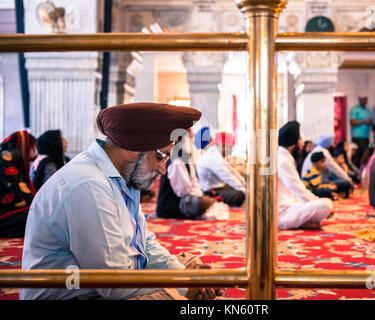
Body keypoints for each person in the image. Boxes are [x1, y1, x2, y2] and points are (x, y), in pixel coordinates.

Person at [21, 102, 224, 300]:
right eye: (161, 156)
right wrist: (184, 289)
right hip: (76, 293)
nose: (163, 168)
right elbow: (114, 285)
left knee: (189, 264)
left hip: (107, 280)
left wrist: (186, 278)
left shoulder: (122, 177)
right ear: (130, 148)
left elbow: (143, 244)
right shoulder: (88, 185)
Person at [157, 129, 229, 220]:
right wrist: (202, 199)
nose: (192, 135)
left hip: (187, 198)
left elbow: (194, 182)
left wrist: (200, 196)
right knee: (203, 201)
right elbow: (183, 191)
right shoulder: (177, 159)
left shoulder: (186, 157)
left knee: (206, 198)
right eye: (189, 133)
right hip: (172, 206)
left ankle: (207, 203)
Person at [278, 121, 333, 230]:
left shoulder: (284, 157)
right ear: (292, 144)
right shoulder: (283, 160)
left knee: (321, 204)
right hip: (283, 213)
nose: (303, 143)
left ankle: (306, 222)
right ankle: (300, 223)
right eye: (300, 139)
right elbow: (297, 188)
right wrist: (317, 201)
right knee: (327, 204)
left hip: (291, 206)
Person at [0, 131, 37, 237]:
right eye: (32, 148)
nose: (34, 152)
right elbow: (19, 188)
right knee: (34, 218)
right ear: (24, 146)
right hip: (4, 212)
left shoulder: (9, 157)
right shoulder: (6, 158)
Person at [196, 132, 246, 207]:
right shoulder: (213, 157)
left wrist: (245, 186)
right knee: (239, 195)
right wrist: (245, 192)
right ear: (223, 146)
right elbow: (228, 176)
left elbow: (232, 171)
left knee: (241, 189)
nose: (232, 150)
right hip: (210, 192)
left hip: (219, 187)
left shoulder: (217, 153)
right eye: (231, 147)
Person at [350, 92, 371, 167]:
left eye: (366, 99)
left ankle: (363, 169)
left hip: (366, 136)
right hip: (357, 136)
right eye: (363, 99)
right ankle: (359, 169)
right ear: (359, 100)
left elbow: (370, 121)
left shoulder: (368, 110)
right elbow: (352, 122)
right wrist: (365, 121)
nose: (365, 101)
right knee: (364, 151)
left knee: (362, 153)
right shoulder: (355, 109)